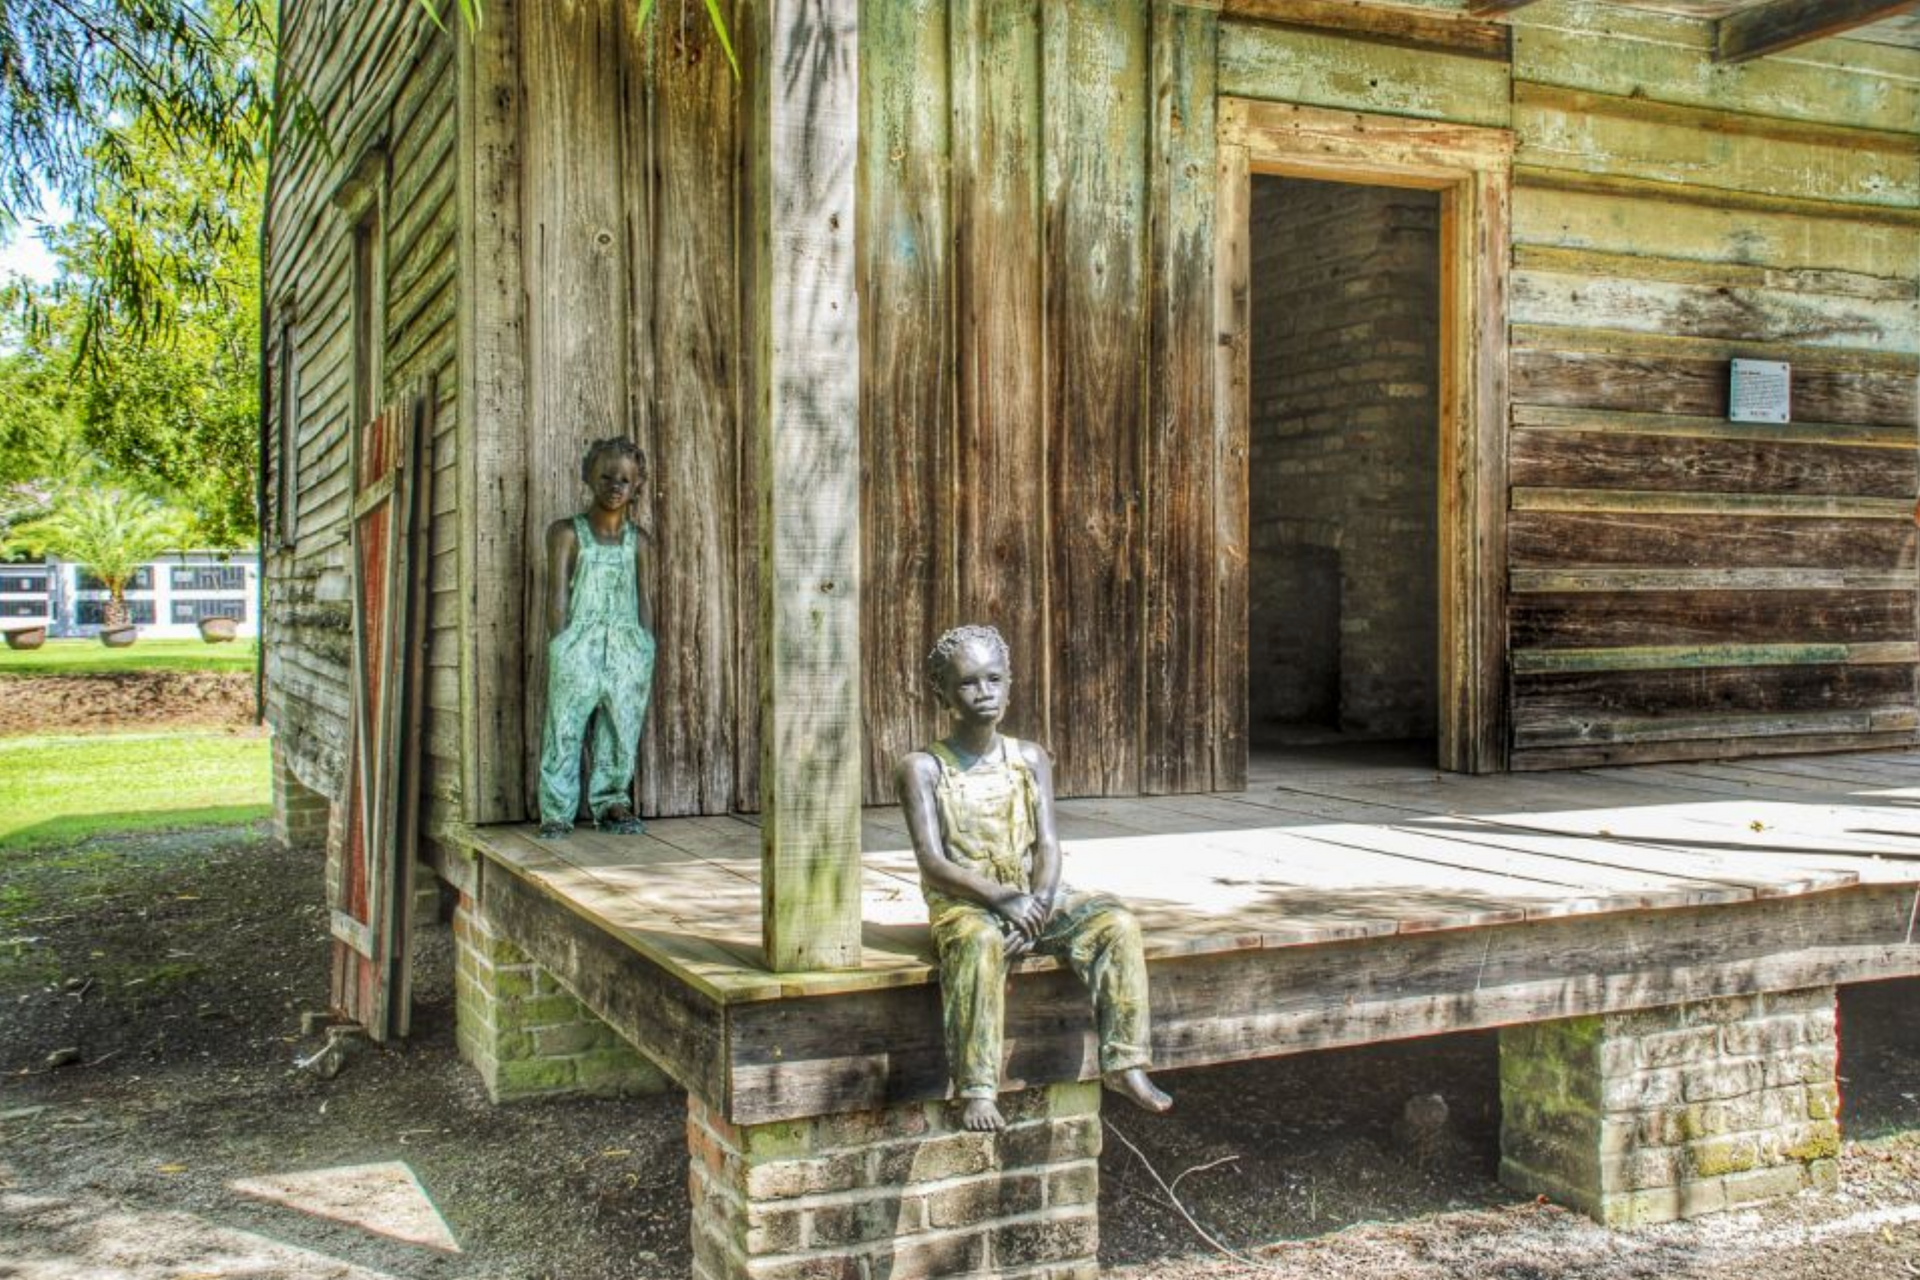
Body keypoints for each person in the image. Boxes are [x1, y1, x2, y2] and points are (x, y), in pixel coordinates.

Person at [896, 623, 1171, 1131]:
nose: (985, 693)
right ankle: (978, 1087)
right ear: (942, 692)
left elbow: (1047, 843)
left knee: (1114, 922)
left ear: (1010, 684)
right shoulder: (923, 768)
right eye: (968, 683)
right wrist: (1002, 899)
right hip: (968, 901)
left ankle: (1126, 1060)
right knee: (977, 943)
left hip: (1030, 897)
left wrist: (1040, 899)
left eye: (994, 680)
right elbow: (932, 861)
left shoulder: (1028, 758)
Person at [537, 437, 655, 838]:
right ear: (589, 476)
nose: (615, 485)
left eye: (625, 479)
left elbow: (644, 597)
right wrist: (562, 641)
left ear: (636, 485)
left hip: (627, 647)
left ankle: (611, 801)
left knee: (621, 727)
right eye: (606, 476)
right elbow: (557, 592)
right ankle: (556, 810)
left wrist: (644, 645)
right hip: (579, 644)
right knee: (564, 726)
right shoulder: (567, 533)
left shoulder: (638, 541)